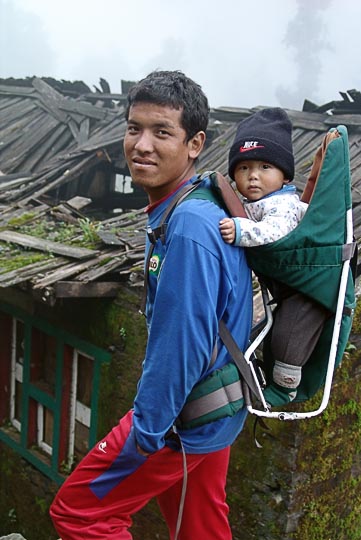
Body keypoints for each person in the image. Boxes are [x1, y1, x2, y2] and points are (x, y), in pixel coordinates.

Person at [50, 70, 252, 540]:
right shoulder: (193, 205)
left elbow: (181, 343)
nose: (142, 145)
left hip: (180, 418)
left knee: (80, 512)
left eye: (162, 132)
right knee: (198, 528)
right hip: (214, 412)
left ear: (195, 143)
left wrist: (145, 435)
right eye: (134, 128)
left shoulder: (189, 228)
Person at [219, 108, 328, 407]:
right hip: (285, 288)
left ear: (284, 175)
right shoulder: (259, 200)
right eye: (243, 168)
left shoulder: (284, 204)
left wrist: (241, 230)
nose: (253, 176)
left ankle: (285, 389)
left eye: (265, 166)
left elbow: (274, 232)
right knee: (272, 335)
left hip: (307, 289)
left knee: (287, 340)